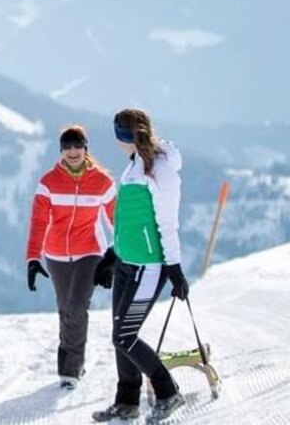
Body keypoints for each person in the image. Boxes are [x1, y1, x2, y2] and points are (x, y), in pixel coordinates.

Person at [91, 109, 188, 423]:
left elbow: (167, 224)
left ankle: (168, 392)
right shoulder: (134, 163)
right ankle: (127, 402)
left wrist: (174, 268)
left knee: (124, 335)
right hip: (127, 263)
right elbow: (129, 219)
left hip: (148, 266)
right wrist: (112, 254)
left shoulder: (161, 168)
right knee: (120, 335)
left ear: (123, 135)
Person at [25, 125, 116, 389]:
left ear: (86, 149)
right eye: (67, 147)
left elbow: (118, 221)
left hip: (90, 251)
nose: (73, 151)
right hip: (56, 254)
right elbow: (39, 222)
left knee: (76, 307)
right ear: (61, 150)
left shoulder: (102, 182)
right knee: (65, 308)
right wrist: (33, 258)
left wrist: (115, 255)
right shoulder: (49, 183)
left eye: (77, 146)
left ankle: (69, 371)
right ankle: (74, 362)